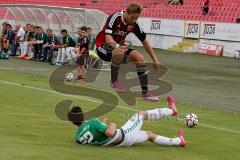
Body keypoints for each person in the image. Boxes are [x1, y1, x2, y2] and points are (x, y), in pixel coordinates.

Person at [95, 3, 160, 102]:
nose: (134, 21)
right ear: (126, 13)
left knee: (140, 59)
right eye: (133, 18)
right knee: (119, 52)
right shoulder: (115, 17)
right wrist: (118, 47)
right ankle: (114, 81)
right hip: (102, 47)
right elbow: (108, 38)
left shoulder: (135, 24)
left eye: (136, 18)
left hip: (118, 48)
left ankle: (145, 93)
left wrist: (155, 59)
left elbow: (145, 41)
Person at [68, 96, 186, 147]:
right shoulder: (93, 121)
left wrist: (102, 124)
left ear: (73, 122)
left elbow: (94, 135)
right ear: (83, 114)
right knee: (141, 114)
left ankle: (178, 141)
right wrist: (112, 125)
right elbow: (110, 133)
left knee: (149, 135)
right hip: (123, 135)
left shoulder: (78, 136)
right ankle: (171, 110)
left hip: (119, 144)